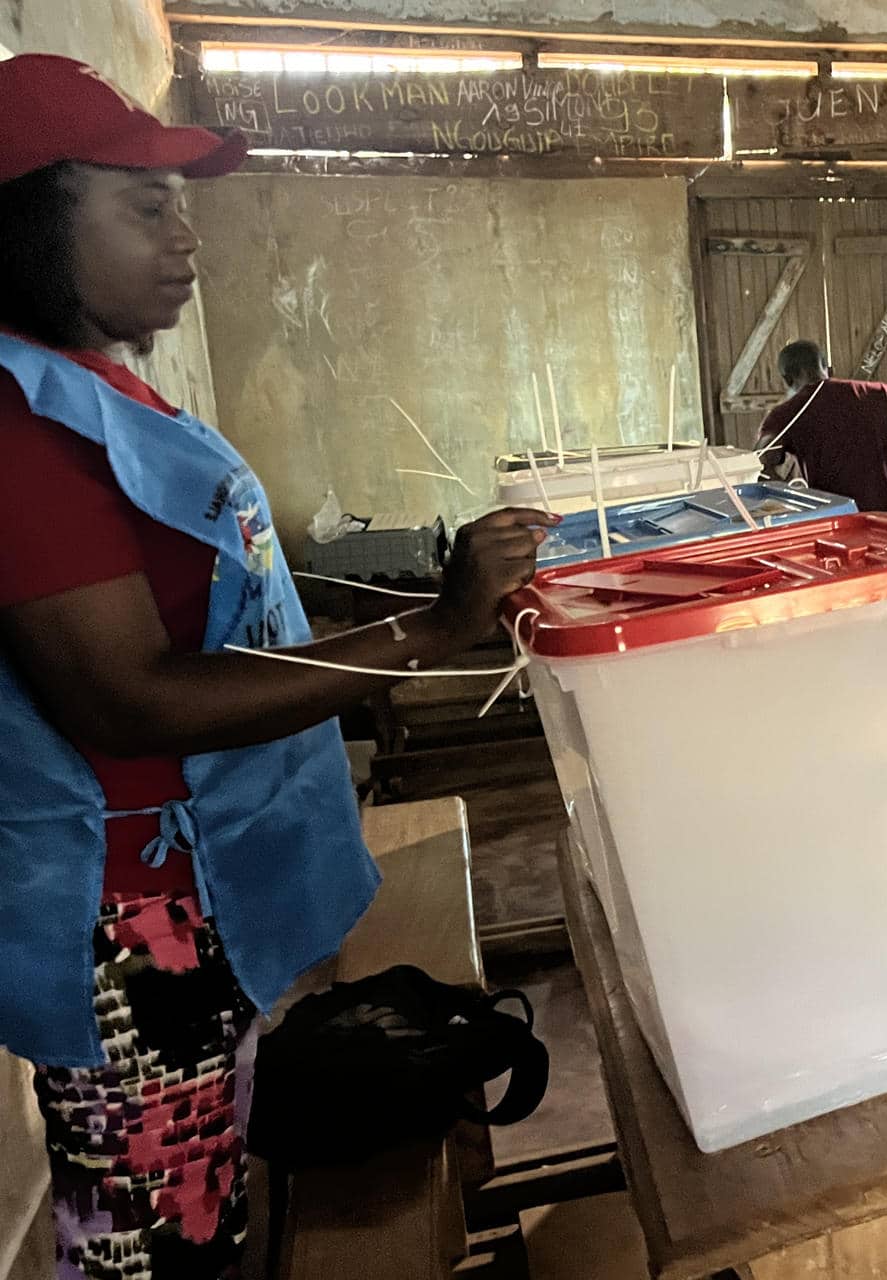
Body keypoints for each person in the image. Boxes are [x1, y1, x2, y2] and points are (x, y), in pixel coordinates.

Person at [0, 56, 554, 1278]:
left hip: (186, 901)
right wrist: (433, 628)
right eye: (144, 205)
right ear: (34, 214)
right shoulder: (21, 433)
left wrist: (428, 594)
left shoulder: (102, 395)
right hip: (134, 930)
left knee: (200, 1201)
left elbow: (228, 620)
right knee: (159, 1245)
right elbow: (127, 696)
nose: (185, 234)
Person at [756, 339, 887, 514]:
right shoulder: (880, 394)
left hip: (833, 525)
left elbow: (758, 468)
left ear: (787, 380)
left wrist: (799, 503)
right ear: (829, 369)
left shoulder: (784, 414)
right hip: (885, 522)